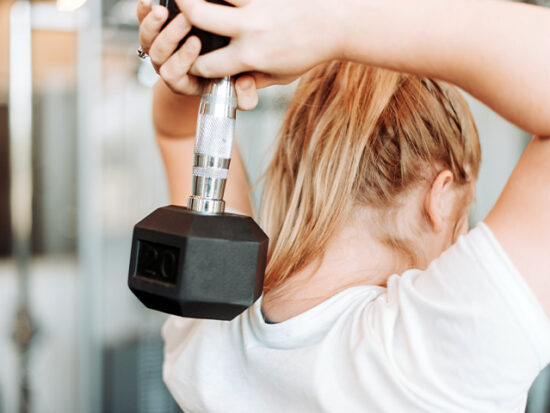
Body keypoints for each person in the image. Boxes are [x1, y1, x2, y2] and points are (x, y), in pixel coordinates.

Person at [136, 0, 550, 411]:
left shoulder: (209, 322)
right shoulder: (431, 361)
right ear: (439, 197)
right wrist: (328, 23)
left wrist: (197, 55)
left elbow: (178, 130)